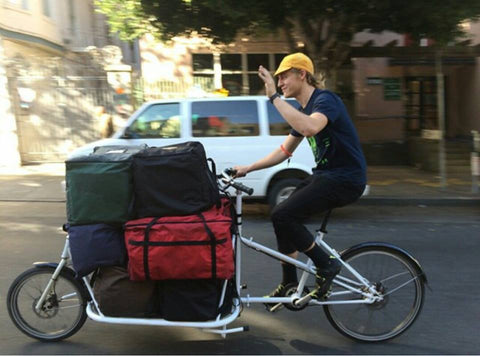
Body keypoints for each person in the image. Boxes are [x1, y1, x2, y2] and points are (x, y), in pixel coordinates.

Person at [233, 53, 367, 310]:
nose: (280, 81)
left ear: (302, 74)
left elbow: (310, 128)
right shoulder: (305, 110)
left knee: (284, 215)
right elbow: (284, 151)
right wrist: (248, 168)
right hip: (326, 175)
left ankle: (326, 263)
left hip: (345, 178)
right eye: (278, 78)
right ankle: (289, 283)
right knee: (280, 215)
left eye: (284, 76)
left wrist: (274, 97)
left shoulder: (325, 100)